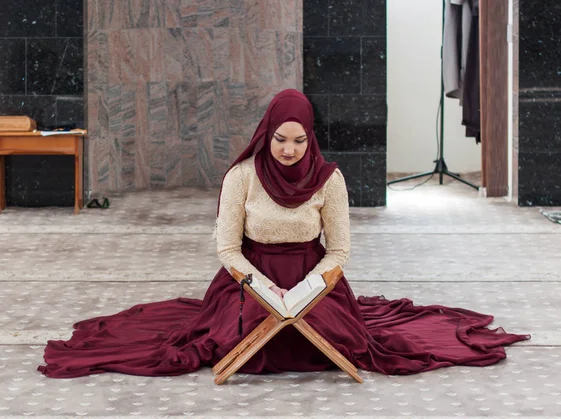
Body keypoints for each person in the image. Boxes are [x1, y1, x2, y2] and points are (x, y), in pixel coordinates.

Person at [38, 89, 529, 379]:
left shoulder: (329, 179)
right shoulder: (242, 176)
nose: (289, 150)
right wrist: (263, 287)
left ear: (310, 137)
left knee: (344, 342)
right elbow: (227, 247)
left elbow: (339, 249)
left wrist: (312, 286)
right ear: (266, 133)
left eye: (299, 140)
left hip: (316, 278)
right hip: (249, 278)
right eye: (280, 139)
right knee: (234, 337)